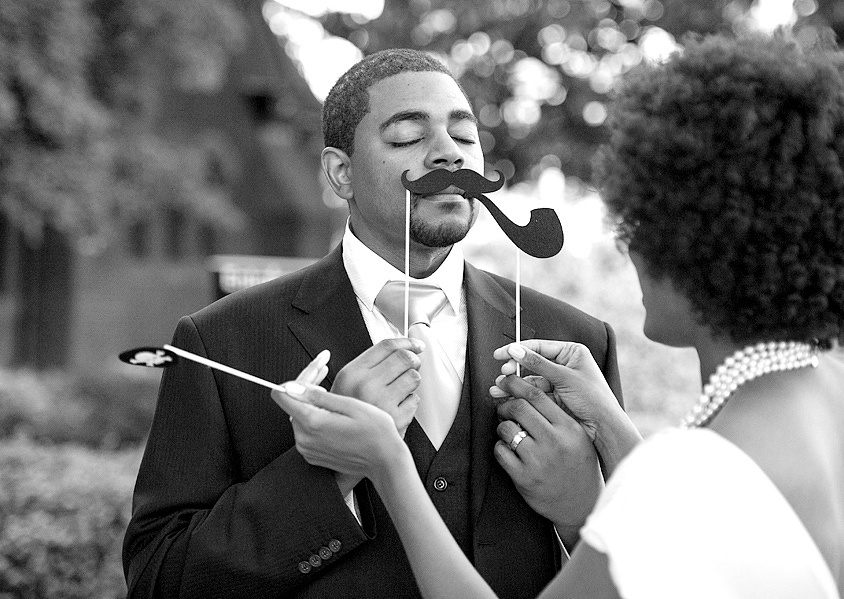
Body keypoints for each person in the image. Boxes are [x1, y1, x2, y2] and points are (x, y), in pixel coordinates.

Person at [272, 33, 844, 599]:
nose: (629, 244)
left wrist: (388, 464)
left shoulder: (687, 472)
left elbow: (684, 502)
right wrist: (610, 424)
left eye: (647, 218)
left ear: (705, 242)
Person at [122, 48, 623, 598]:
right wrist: (329, 474)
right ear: (341, 174)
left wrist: (583, 514)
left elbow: (646, 573)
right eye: (409, 137)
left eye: (464, 135)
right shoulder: (222, 340)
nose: (449, 156)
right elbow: (159, 578)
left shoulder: (576, 342)